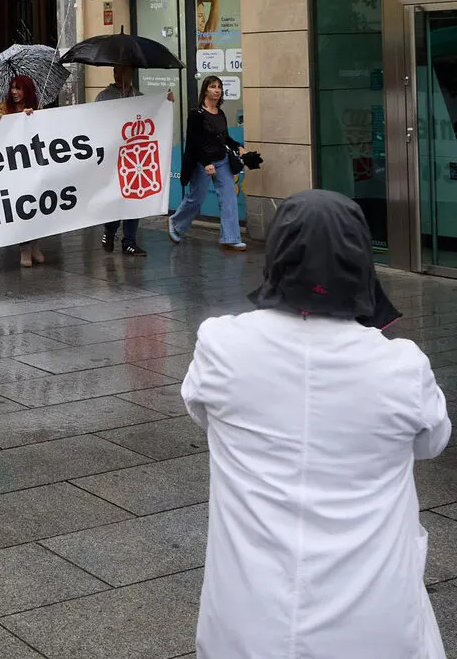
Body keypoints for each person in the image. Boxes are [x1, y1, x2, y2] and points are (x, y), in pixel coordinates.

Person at [184, 189, 449, 659]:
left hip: (247, 619)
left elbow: (200, 411)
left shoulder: (221, 345)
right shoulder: (401, 365)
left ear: (278, 255)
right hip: (373, 620)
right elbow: (432, 441)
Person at [171, 75, 246, 251]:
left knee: (229, 198)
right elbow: (194, 143)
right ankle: (176, 224)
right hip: (201, 162)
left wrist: (238, 146)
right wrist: (206, 163)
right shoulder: (196, 114)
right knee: (196, 198)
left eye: (219, 87)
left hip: (222, 160)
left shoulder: (220, 113)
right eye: (213, 87)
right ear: (205, 90)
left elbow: (224, 138)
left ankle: (230, 238)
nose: (217, 90)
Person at [96, 65, 162, 257]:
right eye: (115, 72)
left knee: (134, 198)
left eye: (123, 72)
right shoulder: (104, 97)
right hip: (112, 157)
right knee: (116, 198)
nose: (118, 76)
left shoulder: (139, 98)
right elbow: (95, 122)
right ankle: (110, 230)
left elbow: (153, 117)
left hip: (134, 159)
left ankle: (129, 241)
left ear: (131, 73)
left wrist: (165, 103)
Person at [0, 75, 47, 267]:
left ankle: (35, 245)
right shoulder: (3, 108)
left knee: (37, 205)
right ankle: (24, 248)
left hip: (33, 164)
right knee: (23, 207)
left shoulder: (37, 108)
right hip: (12, 166)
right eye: (12, 88)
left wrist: (34, 117)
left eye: (19, 88)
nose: (14, 92)